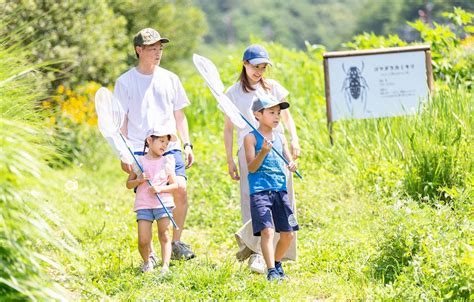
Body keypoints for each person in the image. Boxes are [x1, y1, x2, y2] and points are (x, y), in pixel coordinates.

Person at [114, 28, 195, 261]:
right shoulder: (125, 82)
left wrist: (187, 144)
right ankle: (148, 253)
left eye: (160, 48)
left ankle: (176, 242)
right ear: (139, 50)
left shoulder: (171, 78)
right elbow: (121, 123)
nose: (157, 53)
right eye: (152, 49)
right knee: (147, 199)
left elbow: (179, 115)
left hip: (170, 145)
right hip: (140, 149)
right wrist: (124, 154)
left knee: (180, 189)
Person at [224, 44, 300, 273]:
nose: (259, 71)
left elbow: (287, 118)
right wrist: (230, 159)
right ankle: (257, 254)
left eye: (263, 66)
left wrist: (294, 139)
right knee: (254, 201)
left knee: (283, 199)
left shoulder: (273, 88)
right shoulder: (233, 93)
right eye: (255, 66)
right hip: (250, 150)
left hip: (277, 150)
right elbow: (228, 129)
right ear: (244, 64)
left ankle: (278, 255)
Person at [244, 96, 299, 281]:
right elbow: (251, 167)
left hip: (280, 190)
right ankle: (271, 271)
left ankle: (276, 263)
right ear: (258, 115)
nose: (276, 117)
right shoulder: (251, 138)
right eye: (271, 112)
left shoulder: (280, 138)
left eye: (278, 113)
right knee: (267, 231)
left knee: (288, 234)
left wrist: (292, 165)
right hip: (260, 191)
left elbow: (289, 160)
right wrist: (263, 152)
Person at [127, 125, 178, 273]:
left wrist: (161, 189)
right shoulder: (139, 162)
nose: (164, 145)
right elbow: (128, 184)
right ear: (150, 140)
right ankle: (147, 262)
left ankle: (165, 266)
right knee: (143, 239)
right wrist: (139, 180)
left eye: (166, 143)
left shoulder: (166, 161)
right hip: (144, 205)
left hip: (163, 203)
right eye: (161, 141)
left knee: (164, 234)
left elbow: (174, 185)